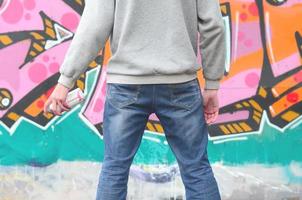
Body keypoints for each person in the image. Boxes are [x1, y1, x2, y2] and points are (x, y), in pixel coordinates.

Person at [44, 0, 226, 199]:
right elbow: (213, 25)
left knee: (115, 169)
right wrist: (212, 83)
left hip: (126, 84)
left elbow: (95, 24)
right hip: (180, 83)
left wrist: (66, 81)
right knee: (196, 168)